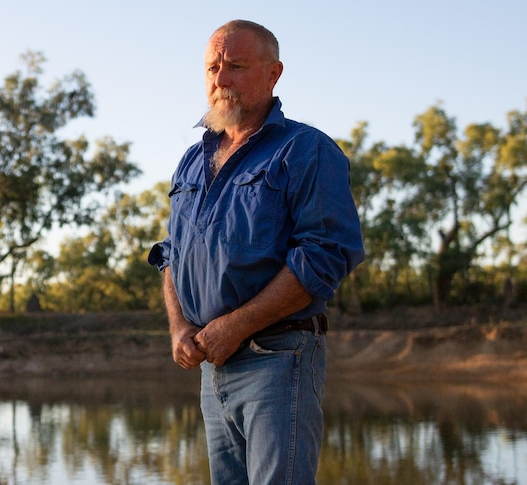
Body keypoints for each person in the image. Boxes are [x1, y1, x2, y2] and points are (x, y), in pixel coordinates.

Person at [148, 19, 365, 484]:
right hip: (214, 369)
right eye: (212, 67)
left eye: (236, 66)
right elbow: (172, 253)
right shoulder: (193, 159)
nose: (220, 79)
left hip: (279, 358)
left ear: (274, 73)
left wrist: (234, 326)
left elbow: (326, 254)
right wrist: (180, 326)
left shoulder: (306, 150)